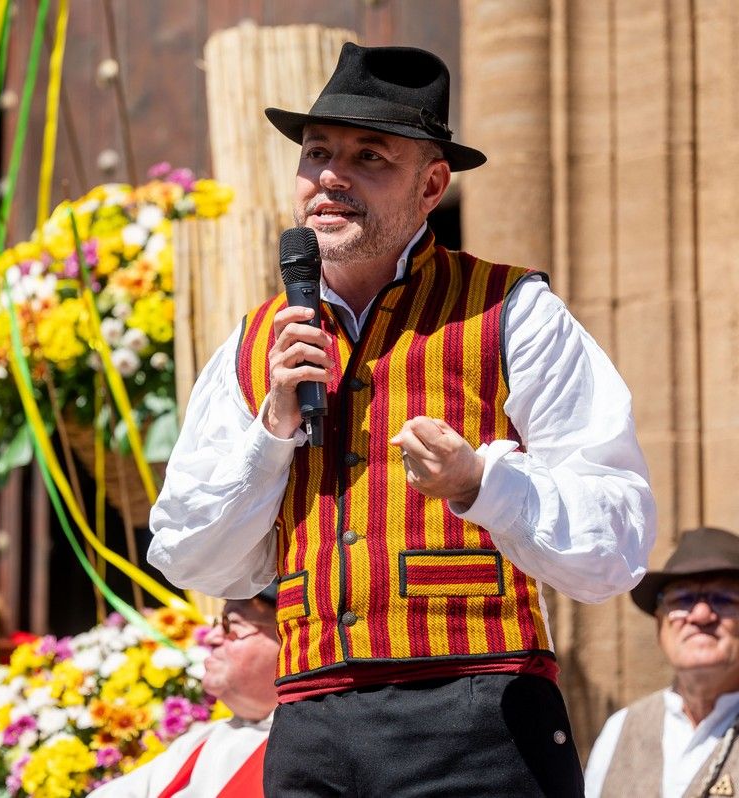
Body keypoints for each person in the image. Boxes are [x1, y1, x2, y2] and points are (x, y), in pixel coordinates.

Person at [147, 42, 656, 795]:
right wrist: (271, 436)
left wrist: (479, 482)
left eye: (369, 157)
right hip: (310, 722)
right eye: (316, 152)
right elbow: (190, 557)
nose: (330, 177)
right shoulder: (253, 345)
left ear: (432, 185)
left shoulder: (513, 313)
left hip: (478, 717)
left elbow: (618, 541)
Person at [585, 527, 739, 798]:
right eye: (682, 599)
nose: (701, 615)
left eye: (724, 599)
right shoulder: (620, 730)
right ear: (660, 626)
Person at [89, 587, 279, 797]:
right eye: (218, 623)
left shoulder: (307, 753)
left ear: (291, 640)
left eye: (230, 625)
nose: (210, 637)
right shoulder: (198, 742)